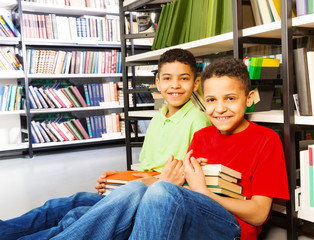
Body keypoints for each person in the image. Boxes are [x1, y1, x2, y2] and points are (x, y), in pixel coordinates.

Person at [48, 57, 289, 240]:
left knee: (157, 193)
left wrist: (203, 192)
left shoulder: (266, 139)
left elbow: (259, 214)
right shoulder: (202, 136)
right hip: (191, 211)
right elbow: (182, 188)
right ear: (203, 101)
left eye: (230, 98)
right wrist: (160, 181)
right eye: (212, 100)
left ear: (249, 98)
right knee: (103, 202)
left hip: (231, 226)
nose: (220, 108)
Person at [0, 48, 211, 240]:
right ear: (157, 83)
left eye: (183, 79)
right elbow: (146, 168)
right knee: (59, 205)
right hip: (136, 187)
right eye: (167, 78)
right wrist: (118, 178)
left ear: (195, 83)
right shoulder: (157, 118)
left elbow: (189, 180)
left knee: (75, 216)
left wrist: (148, 181)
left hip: (153, 196)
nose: (174, 85)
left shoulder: (199, 121)